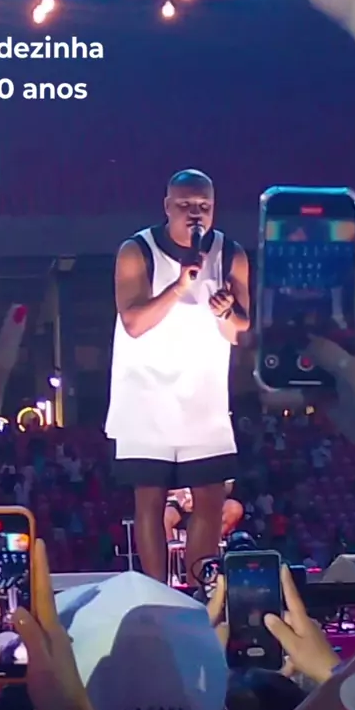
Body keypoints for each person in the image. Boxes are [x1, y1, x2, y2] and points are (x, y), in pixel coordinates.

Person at [105, 169, 250, 583]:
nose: (195, 214)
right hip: (145, 396)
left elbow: (241, 333)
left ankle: (202, 588)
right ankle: (157, 590)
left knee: (210, 500)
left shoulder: (231, 254)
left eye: (204, 206)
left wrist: (227, 312)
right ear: (167, 206)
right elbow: (134, 322)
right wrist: (179, 286)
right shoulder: (137, 250)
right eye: (186, 205)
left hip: (202, 397)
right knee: (150, 501)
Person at [164, 481, 244, 543]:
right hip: (176, 505)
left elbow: (228, 488)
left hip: (210, 501)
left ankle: (211, 542)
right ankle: (171, 548)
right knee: (163, 517)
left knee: (234, 508)